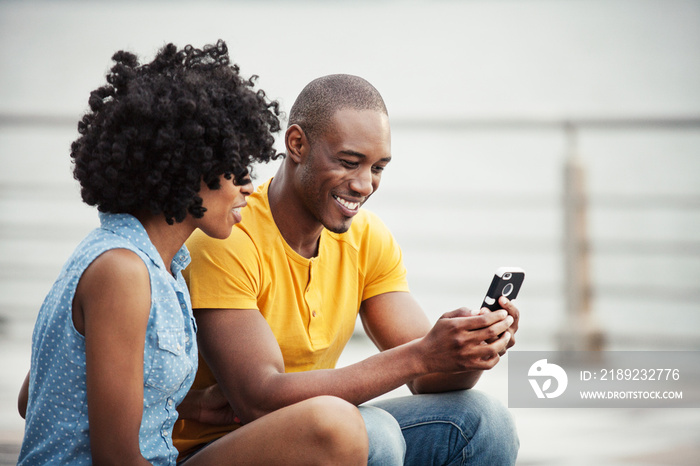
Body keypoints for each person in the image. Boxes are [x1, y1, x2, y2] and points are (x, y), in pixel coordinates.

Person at [17, 45, 368, 466]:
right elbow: (116, 459)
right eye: (235, 168)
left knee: (332, 426)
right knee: (334, 427)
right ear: (185, 166)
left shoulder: (155, 263)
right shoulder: (122, 271)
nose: (249, 187)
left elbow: (37, 394)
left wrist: (190, 405)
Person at [173, 74, 520, 465]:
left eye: (378, 168)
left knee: (486, 421)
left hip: (327, 433)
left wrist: (466, 352)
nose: (364, 185)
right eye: (349, 162)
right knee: (373, 434)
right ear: (297, 144)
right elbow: (259, 400)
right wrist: (421, 354)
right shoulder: (227, 237)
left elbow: (427, 376)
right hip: (215, 449)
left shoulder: (367, 238)